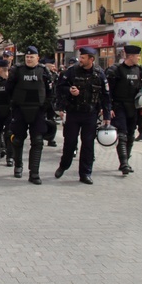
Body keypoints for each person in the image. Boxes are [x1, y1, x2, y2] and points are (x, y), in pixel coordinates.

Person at [54, 47, 111, 185]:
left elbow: (106, 95)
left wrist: (107, 115)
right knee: (70, 142)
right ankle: (64, 165)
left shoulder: (99, 74)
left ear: (91, 59)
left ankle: (85, 173)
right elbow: (60, 87)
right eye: (80, 57)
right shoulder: (71, 72)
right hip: (73, 113)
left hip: (90, 114)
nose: (81, 59)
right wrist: (69, 90)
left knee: (88, 145)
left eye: (83, 57)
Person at [5, 46, 53, 185]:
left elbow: (50, 92)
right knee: (18, 140)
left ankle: (34, 173)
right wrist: (13, 104)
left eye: (32, 57)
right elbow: (9, 89)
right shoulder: (17, 70)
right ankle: (18, 165)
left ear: (37, 58)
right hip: (20, 110)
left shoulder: (43, 71)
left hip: (38, 111)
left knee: (37, 141)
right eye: (27, 57)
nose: (29, 59)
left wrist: (46, 107)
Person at [105, 45, 142, 175]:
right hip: (119, 106)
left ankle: (126, 161)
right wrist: (109, 108)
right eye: (137, 56)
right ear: (131, 56)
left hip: (133, 106)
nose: (139, 58)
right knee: (122, 135)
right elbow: (108, 91)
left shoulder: (139, 70)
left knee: (130, 135)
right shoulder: (116, 70)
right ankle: (123, 163)